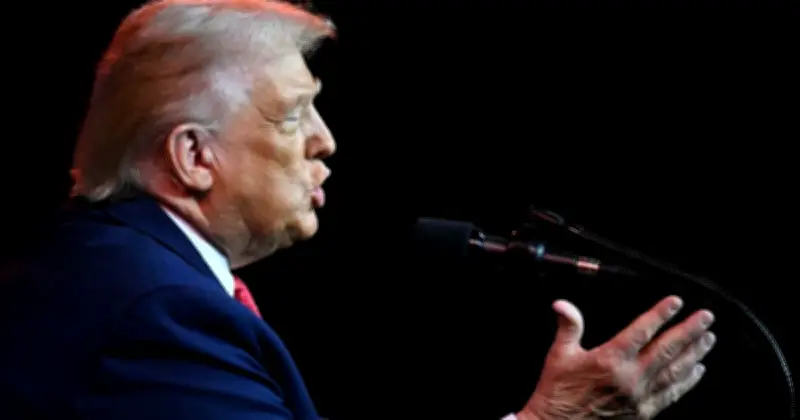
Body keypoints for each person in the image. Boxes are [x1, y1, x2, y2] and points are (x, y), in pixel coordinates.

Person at [0, 0, 717, 419]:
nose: (326, 141)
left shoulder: (111, 266)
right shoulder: (157, 311)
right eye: (291, 115)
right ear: (193, 155)